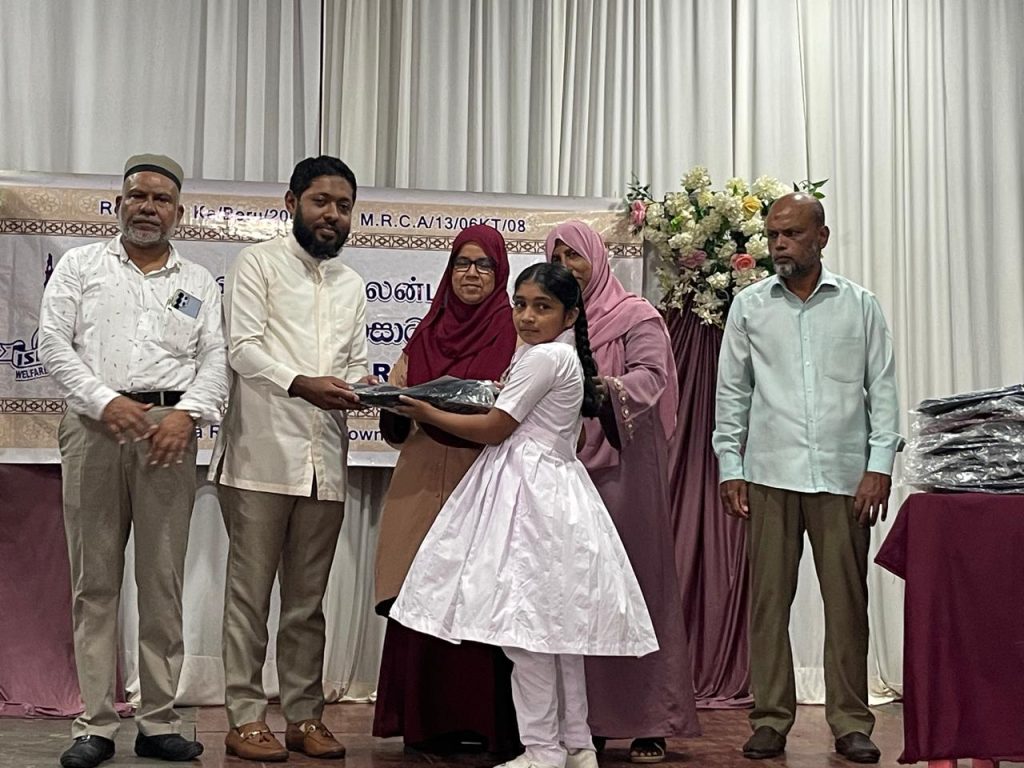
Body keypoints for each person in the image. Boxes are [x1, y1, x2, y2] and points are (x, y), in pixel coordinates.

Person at [389, 262, 658, 768]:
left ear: (570, 314)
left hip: (528, 494)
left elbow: (496, 429)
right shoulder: (557, 355)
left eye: (542, 307)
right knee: (557, 632)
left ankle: (541, 749)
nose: (527, 316)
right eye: (520, 305)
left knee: (526, 630)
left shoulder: (545, 358)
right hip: (553, 489)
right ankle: (575, 744)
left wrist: (425, 411)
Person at [38, 154, 227, 768]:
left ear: (179, 211)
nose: (148, 207)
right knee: (95, 583)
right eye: (138, 196)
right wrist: (104, 400)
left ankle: (158, 722)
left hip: (169, 436)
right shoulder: (81, 266)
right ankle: (94, 725)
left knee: (162, 583)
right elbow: (51, 344)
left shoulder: (198, 282)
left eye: (161, 199)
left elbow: (216, 359)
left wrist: (187, 414)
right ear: (119, 204)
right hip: (94, 430)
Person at [713, 193, 901, 764]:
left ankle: (851, 722)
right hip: (770, 474)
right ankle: (770, 719)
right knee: (768, 604)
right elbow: (732, 393)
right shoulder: (749, 306)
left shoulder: (860, 305)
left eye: (791, 234)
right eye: (773, 235)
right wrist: (730, 466)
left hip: (844, 477)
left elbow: (883, 390)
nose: (779, 245)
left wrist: (879, 466)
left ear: (822, 236)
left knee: (847, 604)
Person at [210, 155, 371, 762]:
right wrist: (303, 384)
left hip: (325, 461)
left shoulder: (351, 284)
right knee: (248, 599)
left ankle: (305, 717)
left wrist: (365, 388)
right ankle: (246, 718)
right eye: (321, 201)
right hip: (260, 456)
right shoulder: (257, 263)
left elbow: (356, 363)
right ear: (292, 203)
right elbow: (243, 349)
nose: (332, 215)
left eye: (343, 206)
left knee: (307, 604)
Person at [545, 221, 701, 762]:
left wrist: (602, 390)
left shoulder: (635, 315)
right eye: (556, 257)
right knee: (579, 593)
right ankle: (589, 719)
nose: (566, 267)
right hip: (567, 468)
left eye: (575, 255)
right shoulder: (554, 321)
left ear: (597, 258)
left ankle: (650, 719)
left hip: (626, 470)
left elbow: (652, 377)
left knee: (636, 587)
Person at [372, 224, 520, 752]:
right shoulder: (427, 332)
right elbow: (398, 424)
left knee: (478, 594)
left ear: (500, 272)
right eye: (462, 263)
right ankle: (426, 722)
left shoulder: (515, 333)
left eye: (483, 265)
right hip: (420, 478)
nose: (471, 274)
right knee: (418, 593)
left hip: (481, 478)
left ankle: (483, 721)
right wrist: (386, 400)